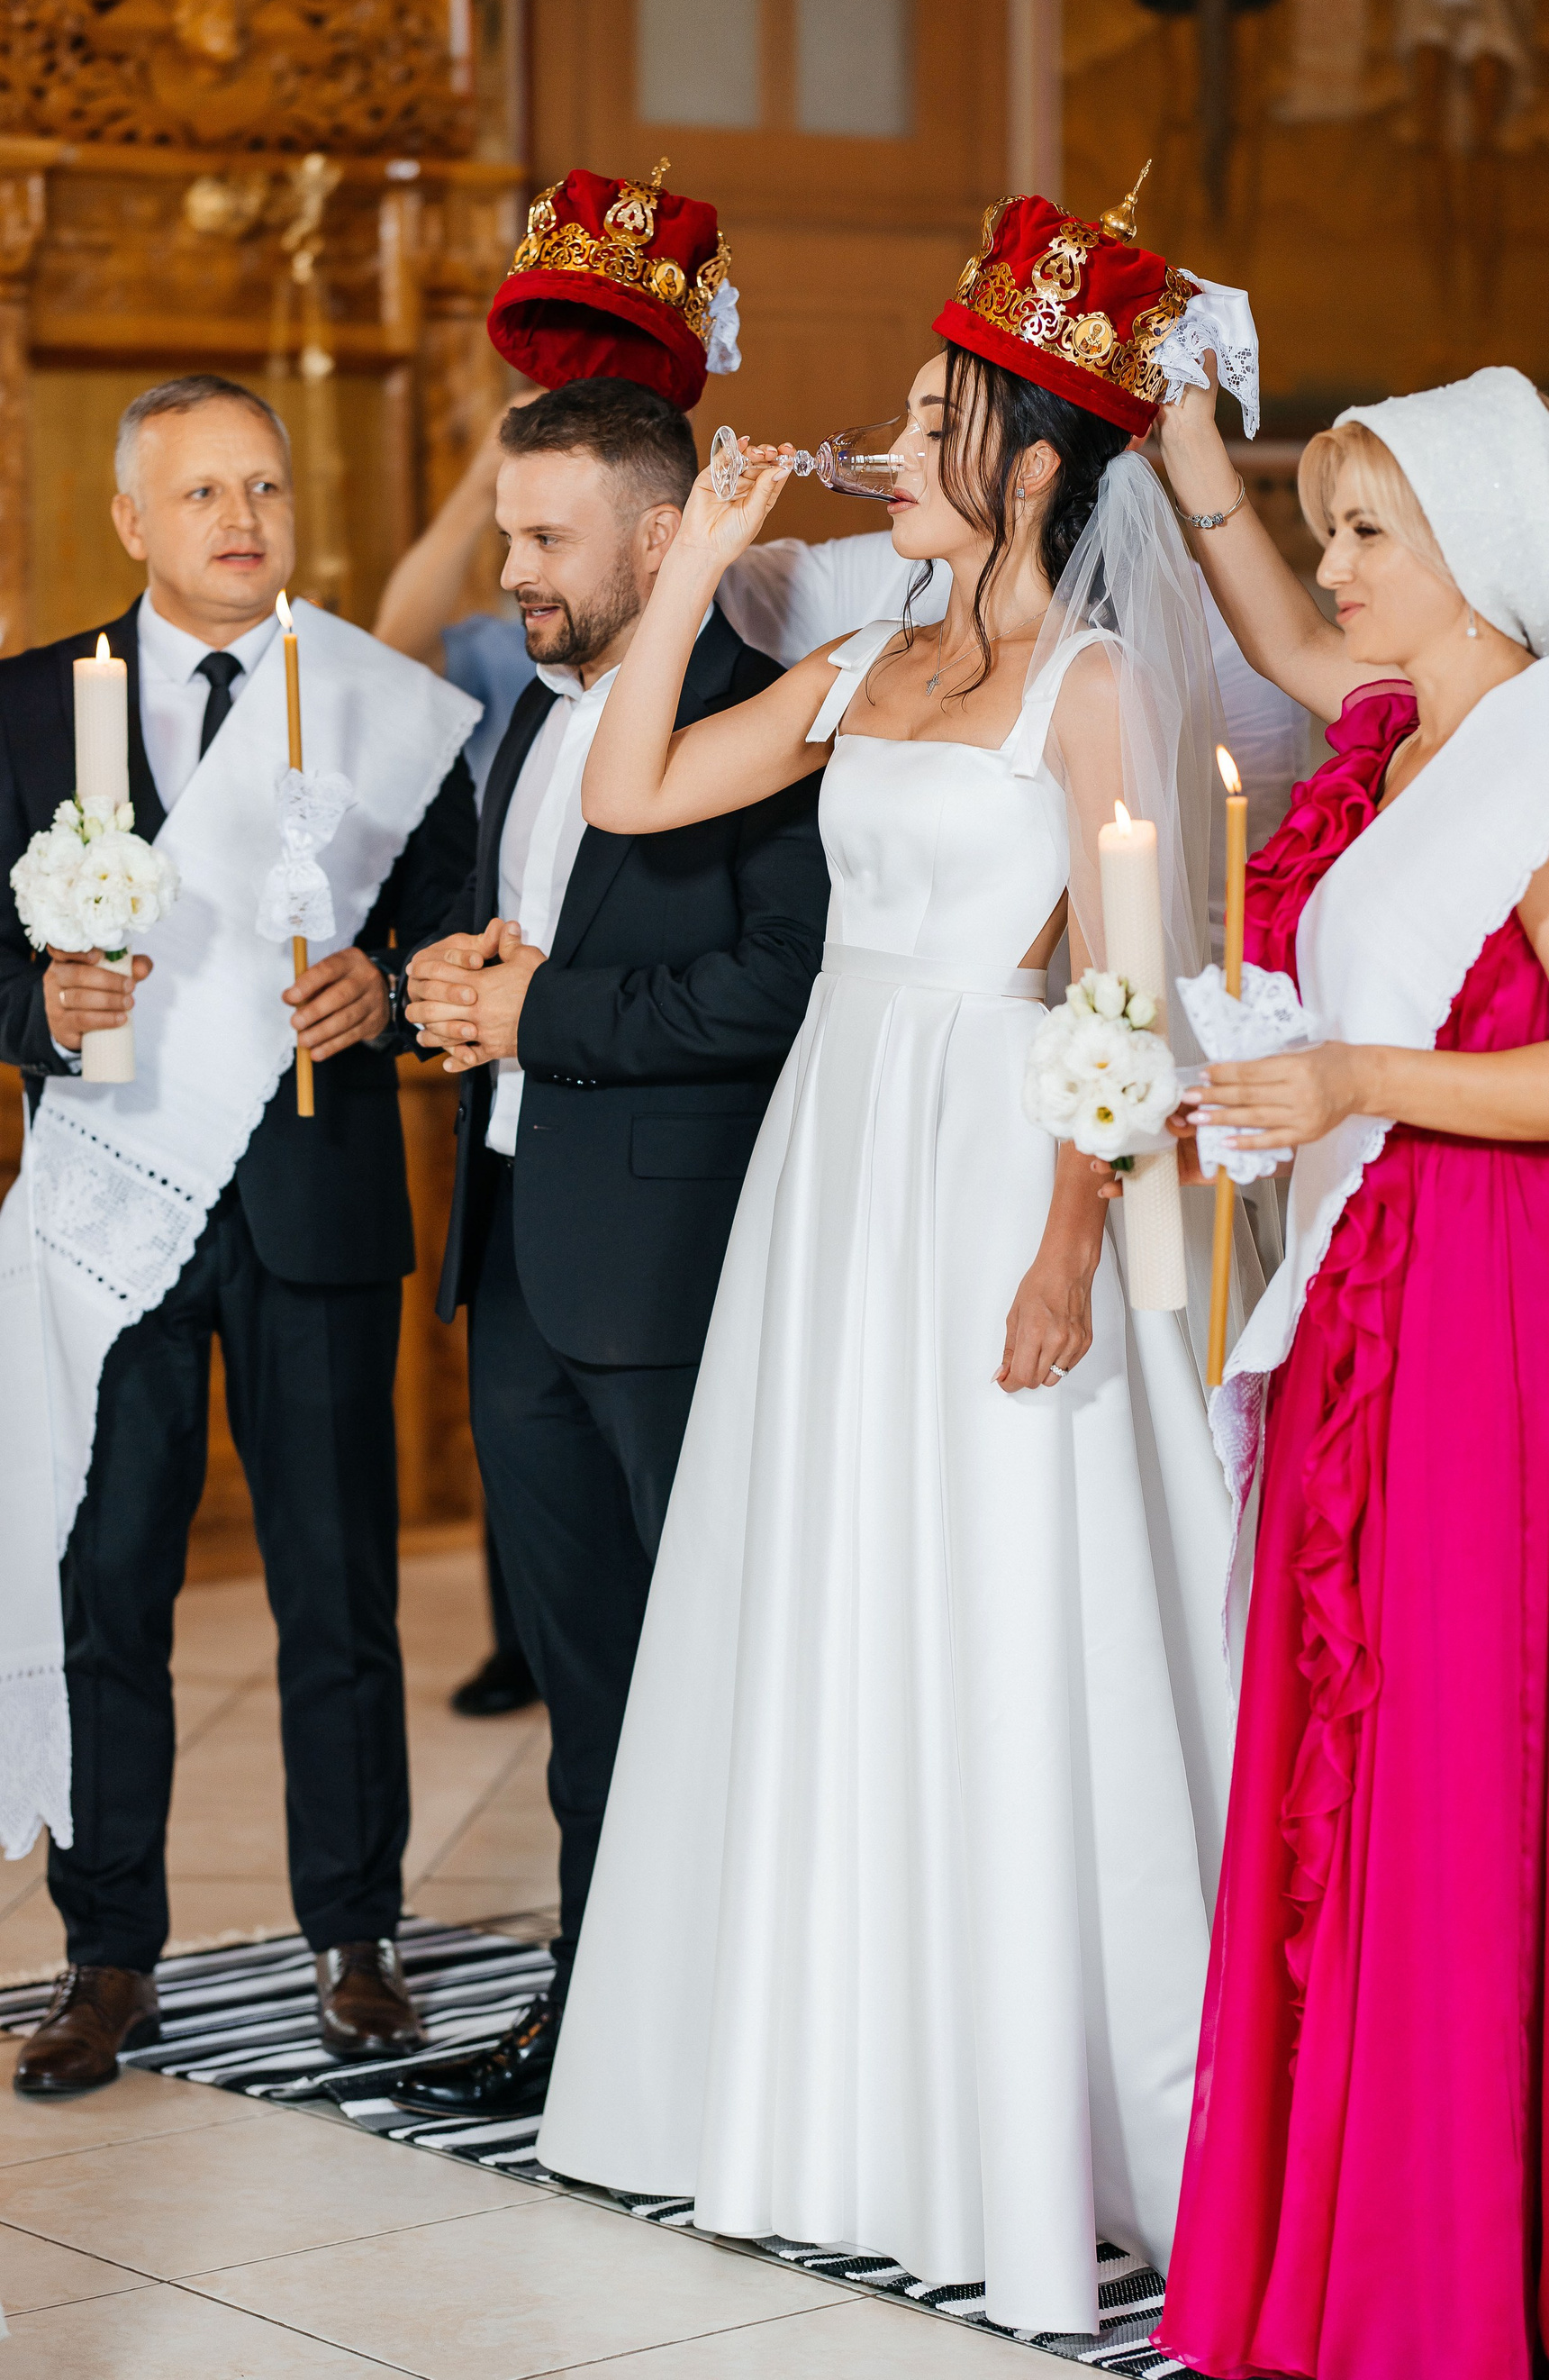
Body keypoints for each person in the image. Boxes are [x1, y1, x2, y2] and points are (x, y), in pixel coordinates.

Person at [532, 184, 1262, 2335]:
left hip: (988, 1151)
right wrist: (693, 562)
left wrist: (1068, 1239)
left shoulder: (1093, 686)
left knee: (990, 1602)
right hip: (834, 1153)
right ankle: (824, 2101)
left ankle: (1019, 2123)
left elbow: (1119, 989)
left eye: (937, 417)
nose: (894, 435)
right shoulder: (865, 663)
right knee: (822, 1585)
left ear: (1025, 470)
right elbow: (631, 790)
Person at [1148, 362, 1549, 2377]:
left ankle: (1465, 2268)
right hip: (1373, 1267)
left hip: (1489, 1289)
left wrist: (1355, 1077)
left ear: (1470, 548)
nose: (1335, 568)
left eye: (1367, 530)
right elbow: (1291, 645)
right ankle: (1360, 2235)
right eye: (1331, 526)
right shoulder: (1415, 735)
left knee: (1458, 1751)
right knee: (1360, 1731)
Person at [390, 162, 832, 2124]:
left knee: (707, 1663)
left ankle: (739, 2041)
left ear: (665, 534)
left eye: (548, 538)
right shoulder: (536, 719)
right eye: (510, 532)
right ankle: (598, 2022)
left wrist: (540, 1013)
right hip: (514, 1251)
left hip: (665, 1270)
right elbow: (542, 942)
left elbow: (777, 985)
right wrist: (459, 977)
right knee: (583, 1677)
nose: (515, 570)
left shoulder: (770, 716)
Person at [0, 374, 479, 2092]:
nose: (239, 519)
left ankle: (356, 1937)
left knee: (339, 1590)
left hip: (313, 1201)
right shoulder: (26, 705)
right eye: (201, 491)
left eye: (263, 487)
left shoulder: (376, 713)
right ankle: (107, 1956)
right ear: (132, 517)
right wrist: (41, 1010)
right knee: (108, 1586)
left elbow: (458, 934)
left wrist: (390, 995)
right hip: (112, 1205)